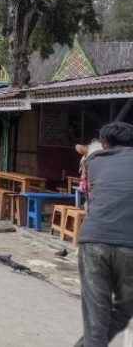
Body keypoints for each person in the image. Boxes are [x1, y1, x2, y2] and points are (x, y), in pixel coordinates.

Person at [74, 122, 133, 347]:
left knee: (95, 322)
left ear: (105, 143)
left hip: (94, 240)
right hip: (129, 244)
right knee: (126, 308)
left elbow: (89, 193)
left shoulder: (94, 160)